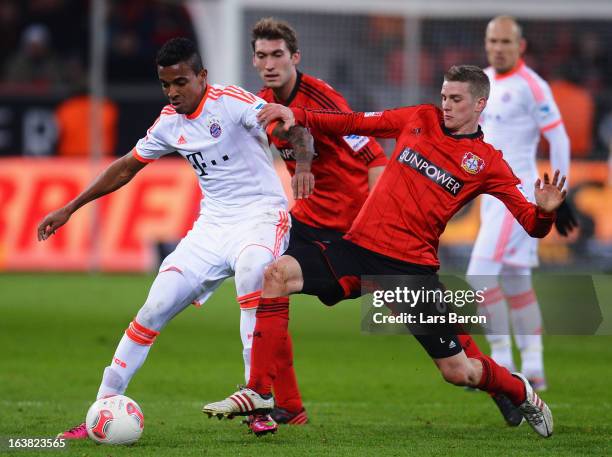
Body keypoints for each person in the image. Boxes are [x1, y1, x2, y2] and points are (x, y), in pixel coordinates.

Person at [203, 65, 565, 439]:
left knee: (460, 372)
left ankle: (520, 391)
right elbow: (353, 121)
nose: (446, 106)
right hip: (358, 249)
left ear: (479, 104)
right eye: (443, 96)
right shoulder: (419, 118)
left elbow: (530, 224)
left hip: (409, 270)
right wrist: (300, 115)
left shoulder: (487, 161)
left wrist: (544, 212)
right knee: (276, 275)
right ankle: (260, 392)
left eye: (456, 99)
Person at [37, 37, 315, 439]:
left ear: (202, 76)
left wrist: (303, 163)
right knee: (152, 310)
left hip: (260, 216)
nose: (173, 93)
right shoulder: (169, 122)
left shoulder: (233, 102)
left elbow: (295, 130)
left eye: (180, 82)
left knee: (253, 277)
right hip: (210, 228)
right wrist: (69, 207)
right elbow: (125, 167)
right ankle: (99, 410)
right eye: (166, 85)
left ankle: (258, 400)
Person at [247, 17, 388, 428]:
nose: (270, 63)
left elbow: (375, 158)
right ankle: (288, 405)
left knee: (424, 316)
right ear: (254, 61)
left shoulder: (325, 99)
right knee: (266, 283)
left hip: (353, 227)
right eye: (262, 55)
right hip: (307, 220)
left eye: (278, 55)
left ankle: (499, 382)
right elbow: (292, 133)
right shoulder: (262, 105)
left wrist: (376, 225)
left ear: (295, 57)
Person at [467, 16, 577, 392]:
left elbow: (558, 139)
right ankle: (534, 366)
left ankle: (502, 365)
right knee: (516, 282)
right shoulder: (480, 82)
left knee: (479, 275)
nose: (497, 48)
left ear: (520, 46)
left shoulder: (532, 86)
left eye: (505, 42)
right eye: (492, 41)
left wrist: (563, 193)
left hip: (515, 197)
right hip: (490, 198)